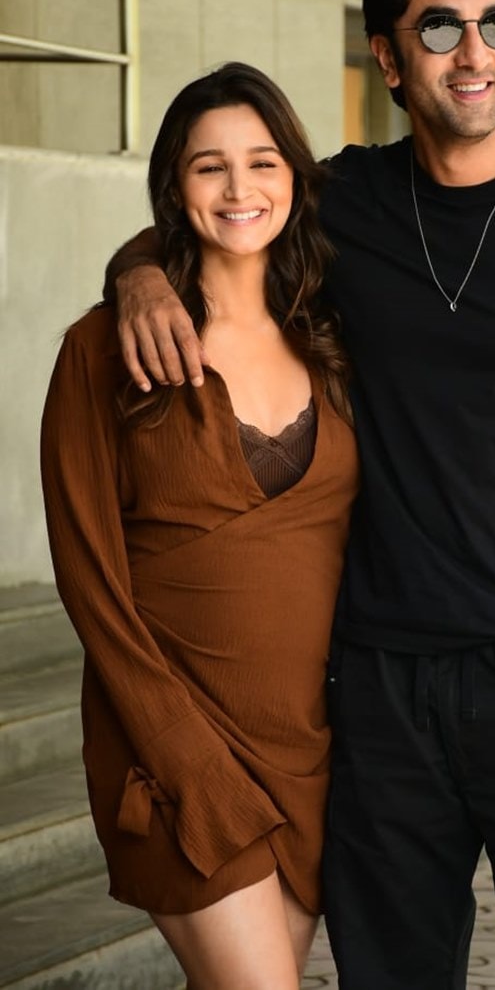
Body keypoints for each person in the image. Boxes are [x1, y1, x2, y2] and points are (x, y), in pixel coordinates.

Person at [103, 0, 495, 990]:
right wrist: (138, 271)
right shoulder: (345, 201)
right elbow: (225, 207)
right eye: (440, 29)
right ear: (385, 53)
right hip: (376, 684)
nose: (476, 55)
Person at [40, 62, 359, 990]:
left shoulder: (334, 334)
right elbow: (89, 579)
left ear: (294, 177)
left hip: (309, 749)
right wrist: (182, 758)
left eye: (262, 162)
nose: (238, 189)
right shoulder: (103, 347)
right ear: (173, 188)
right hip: (175, 744)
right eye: (207, 166)